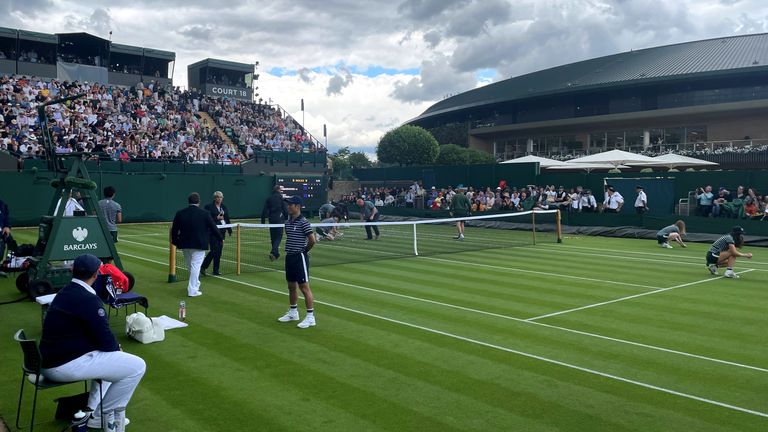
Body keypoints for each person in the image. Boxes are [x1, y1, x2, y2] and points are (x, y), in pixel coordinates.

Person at [40, 254, 145, 432]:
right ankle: (100, 415)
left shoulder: (65, 291)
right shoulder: (87, 299)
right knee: (137, 366)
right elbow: (105, 339)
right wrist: (116, 348)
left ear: (73, 272)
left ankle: (95, 415)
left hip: (51, 360)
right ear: (96, 275)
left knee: (113, 365)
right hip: (63, 364)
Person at [171, 192, 223, 297]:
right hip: (199, 244)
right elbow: (213, 227)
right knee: (194, 266)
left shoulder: (180, 213)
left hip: (185, 244)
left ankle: (195, 284)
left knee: (191, 266)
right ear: (198, 202)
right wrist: (220, 238)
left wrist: (175, 241)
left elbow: (174, 229)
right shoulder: (205, 213)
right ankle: (192, 290)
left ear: (189, 202)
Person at [277, 196, 317, 328]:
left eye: (291, 205)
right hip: (290, 257)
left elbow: (312, 240)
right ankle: (293, 312)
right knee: (291, 286)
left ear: (298, 206)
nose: (288, 206)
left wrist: (304, 251)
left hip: (300, 257)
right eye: (288, 204)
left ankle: (310, 317)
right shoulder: (287, 223)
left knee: (304, 288)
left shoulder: (304, 222)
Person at [202, 191, 231, 276]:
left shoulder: (224, 207)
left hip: (222, 232)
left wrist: (229, 229)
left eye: (220, 197)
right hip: (212, 232)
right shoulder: (208, 207)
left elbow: (227, 219)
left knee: (219, 252)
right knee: (214, 250)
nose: (219, 199)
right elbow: (206, 219)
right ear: (215, 198)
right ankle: (203, 266)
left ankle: (216, 270)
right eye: (217, 197)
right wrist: (216, 217)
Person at [261, 185, 288, 261]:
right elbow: (285, 209)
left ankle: (276, 254)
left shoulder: (269, 199)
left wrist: (262, 222)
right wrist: (286, 218)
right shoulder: (281, 198)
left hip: (271, 220)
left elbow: (264, 211)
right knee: (278, 237)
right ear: (278, 190)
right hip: (279, 220)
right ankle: (273, 252)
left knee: (273, 238)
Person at [0, 197, 9, 278]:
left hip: (0, 233)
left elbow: (6, 216)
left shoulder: (2, 204)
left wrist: (6, 226)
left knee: (0, 252)